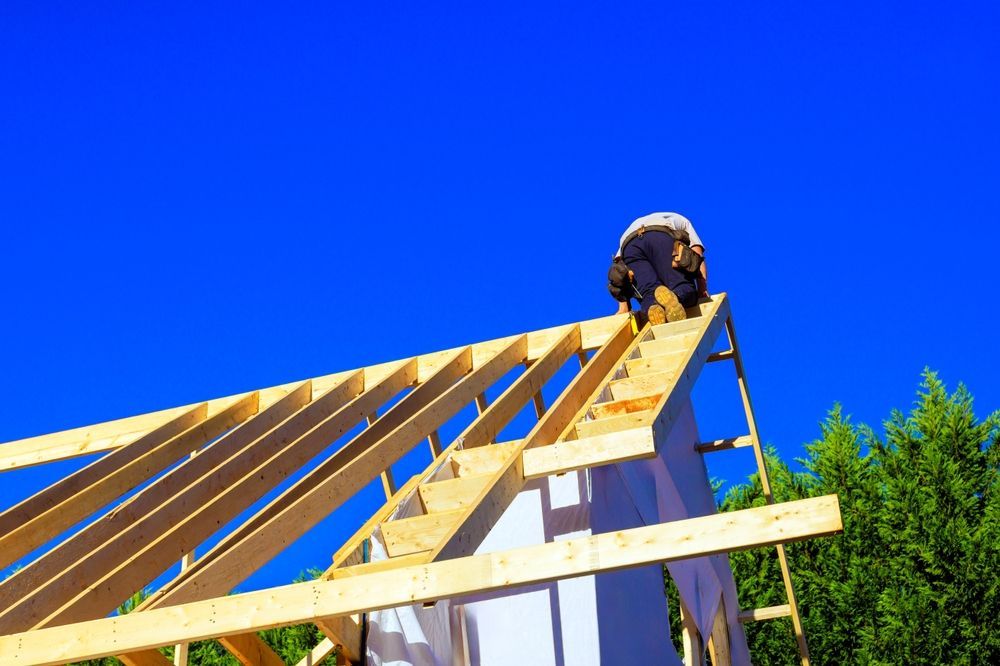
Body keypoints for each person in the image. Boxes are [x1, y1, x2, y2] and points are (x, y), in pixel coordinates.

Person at [614, 212, 708, 324]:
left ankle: (651, 307)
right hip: (659, 235)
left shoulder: (633, 226)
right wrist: (702, 290)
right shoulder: (683, 221)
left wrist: (623, 308)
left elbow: (620, 273)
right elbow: (696, 254)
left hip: (629, 245)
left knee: (649, 294)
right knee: (683, 287)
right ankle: (676, 296)